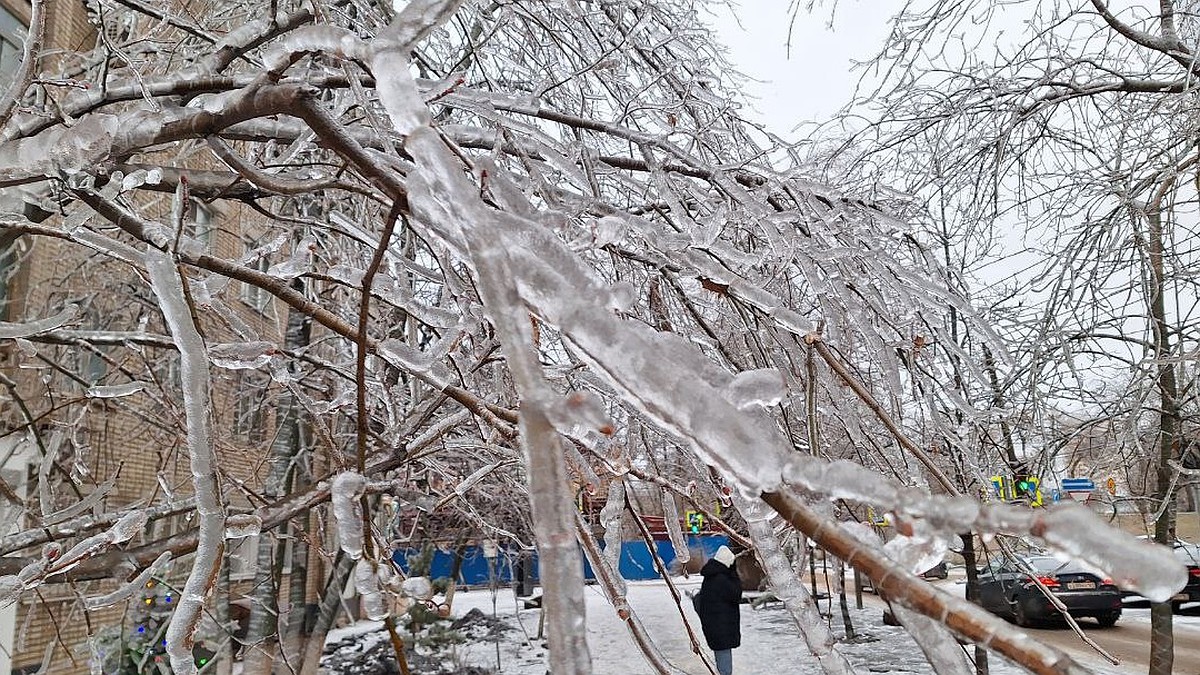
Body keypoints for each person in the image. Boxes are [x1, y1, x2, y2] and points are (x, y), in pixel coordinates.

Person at [695, 545, 742, 675]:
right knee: (725, 668)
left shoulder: (711, 576)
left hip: (715, 626)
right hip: (722, 628)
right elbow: (736, 594)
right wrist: (733, 573)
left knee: (722, 660)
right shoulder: (721, 579)